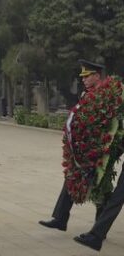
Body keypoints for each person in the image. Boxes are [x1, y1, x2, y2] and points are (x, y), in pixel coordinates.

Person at [39, 59, 107, 232]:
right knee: (72, 178)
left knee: (101, 186)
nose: (83, 79)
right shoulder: (87, 94)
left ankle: (100, 228)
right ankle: (60, 219)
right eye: (82, 76)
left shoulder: (104, 95)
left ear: (97, 76)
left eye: (87, 76)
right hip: (83, 149)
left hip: (97, 149)